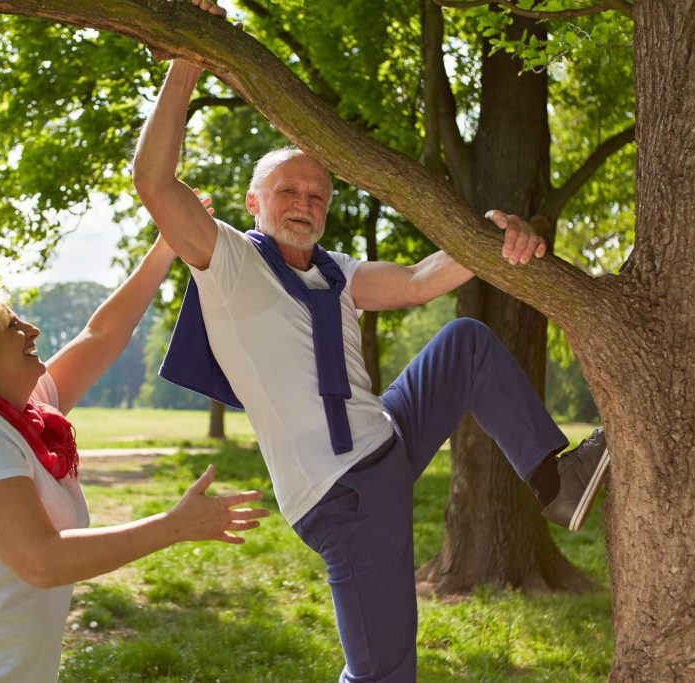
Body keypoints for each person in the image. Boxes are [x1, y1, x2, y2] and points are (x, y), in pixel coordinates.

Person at [131, 7, 610, 680]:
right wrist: (186, 59)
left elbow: (420, 279)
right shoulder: (230, 262)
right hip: (342, 488)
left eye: (318, 195)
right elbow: (153, 182)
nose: (305, 202)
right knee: (383, 670)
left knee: (465, 343)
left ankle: (556, 481)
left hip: (385, 438)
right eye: (288, 191)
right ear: (254, 203)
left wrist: (495, 236)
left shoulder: (337, 272)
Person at [0, 234, 269, 683]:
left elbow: (103, 335)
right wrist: (175, 525)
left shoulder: (27, 410)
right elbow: (43, 561)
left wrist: (167, 246)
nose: (31, 330)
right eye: (12, 326)